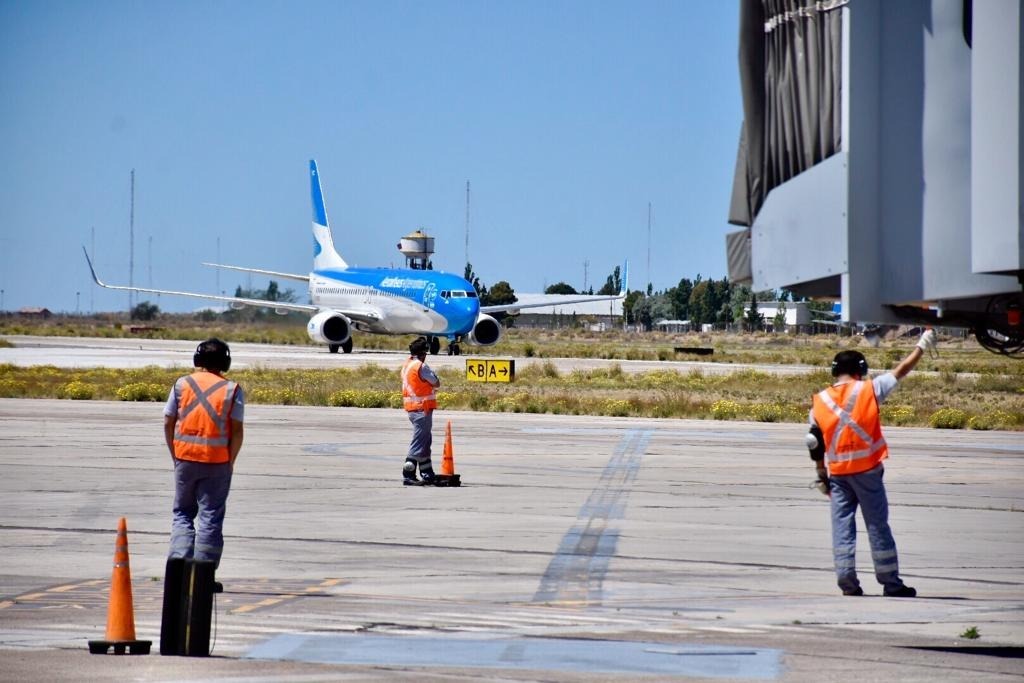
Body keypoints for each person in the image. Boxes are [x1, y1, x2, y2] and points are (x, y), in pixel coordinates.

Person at [808, 329, 936, 597]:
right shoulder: (870, 389)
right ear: (860, 369)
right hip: (867, 472)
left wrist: (821, 475)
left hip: (838, 475)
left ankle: (847, 582)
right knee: (877, 526)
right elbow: (901, 370)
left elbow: (813, 441)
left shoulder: (819, 401)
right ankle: (890, 583)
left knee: (842, 529)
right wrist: (922, 345)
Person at [163, 338, 244, 569]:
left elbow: (168, 421)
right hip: (217, 461)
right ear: (225, 362)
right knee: (210, 516)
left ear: (198, 359)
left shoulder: (181, 385)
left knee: (182, 512)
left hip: (185, 458)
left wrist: (175, 454)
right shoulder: (233, 390)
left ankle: (179, 557)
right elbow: (237, 431)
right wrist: (230, 461)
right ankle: (204, 571)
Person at [401, 336, 441, 485]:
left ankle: (427, 472)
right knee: (419, 442)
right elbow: (436, 383)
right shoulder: (421, 366)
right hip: (421, 409)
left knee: (425, 440)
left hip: (412, 408)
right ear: (424, 353)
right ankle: (408, 472)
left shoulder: (407, 364)